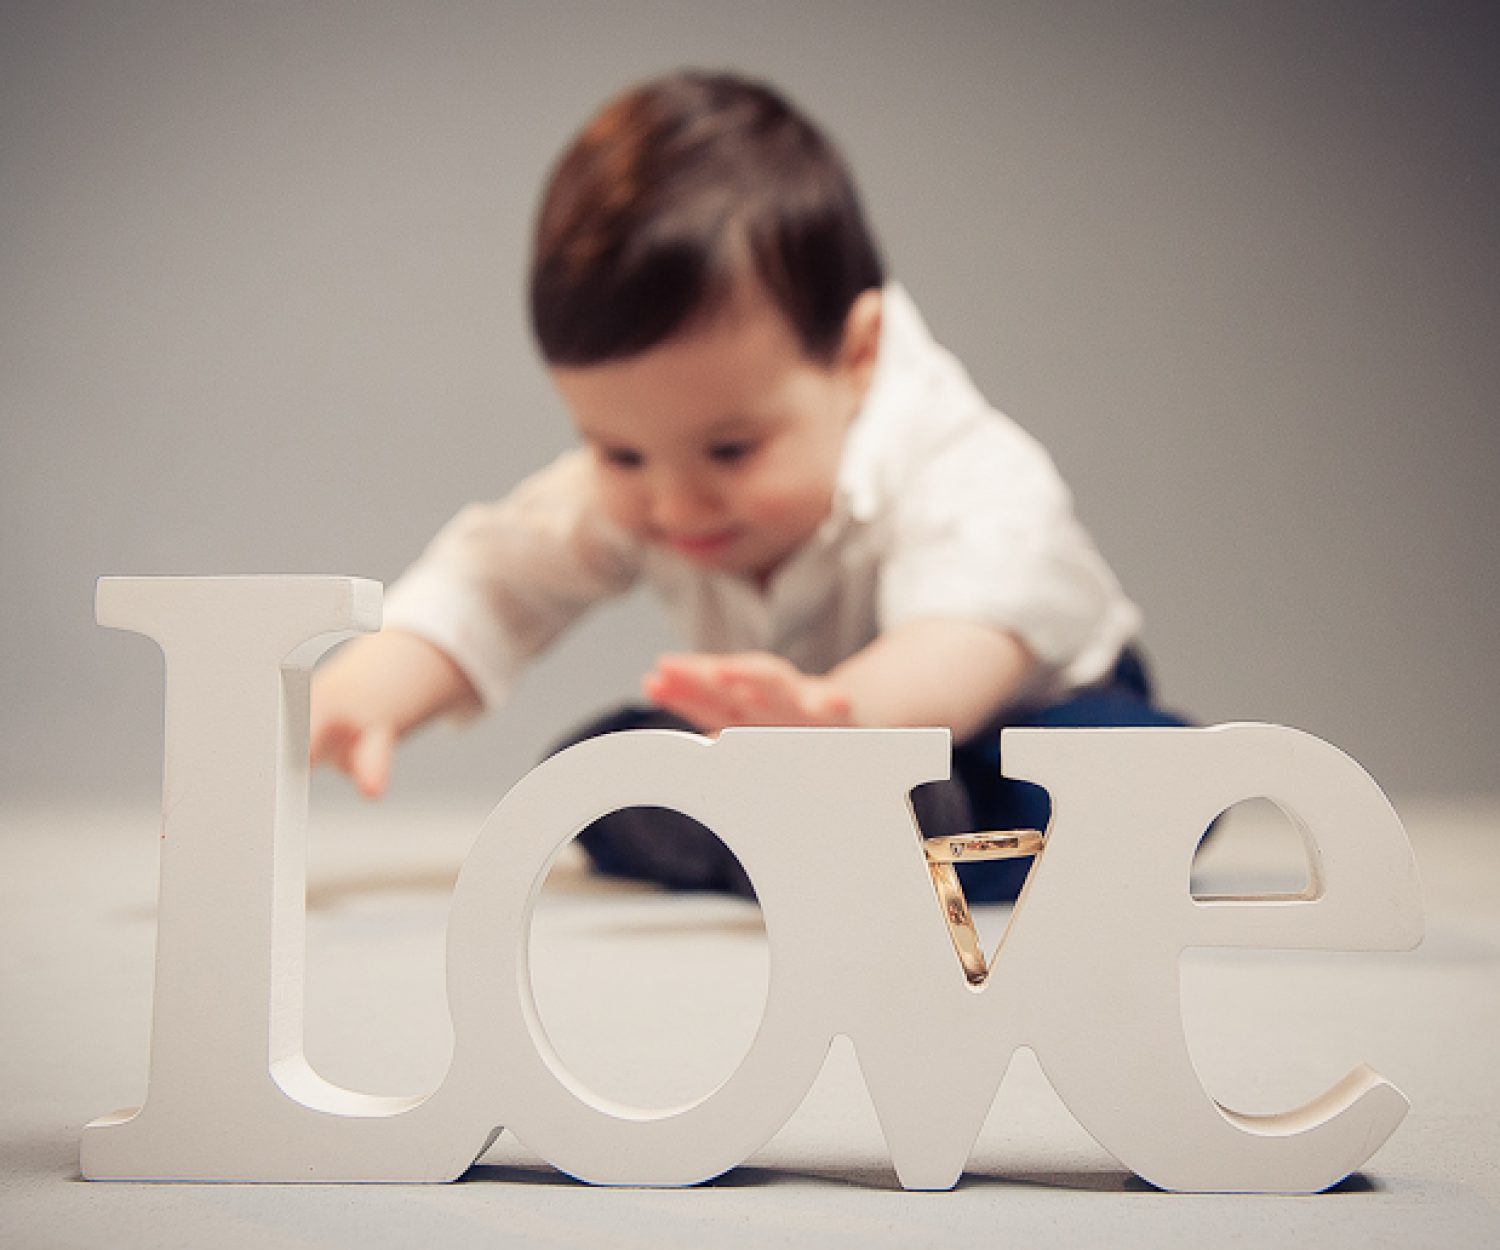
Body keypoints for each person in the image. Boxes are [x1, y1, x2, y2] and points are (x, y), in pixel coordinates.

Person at [310, 70, 1186, 902]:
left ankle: (899, 827)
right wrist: (371, 688)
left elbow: (972, 638)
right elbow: (499, 578)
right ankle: (840, 839)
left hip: (1004, 727)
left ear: (855, 356)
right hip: (790, 754)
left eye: (730, 452)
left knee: (1110, 771)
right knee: (602, 768)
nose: (674, 505)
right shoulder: (662, 468)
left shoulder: (958, 460)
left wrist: (850, 723)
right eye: (619, 455)